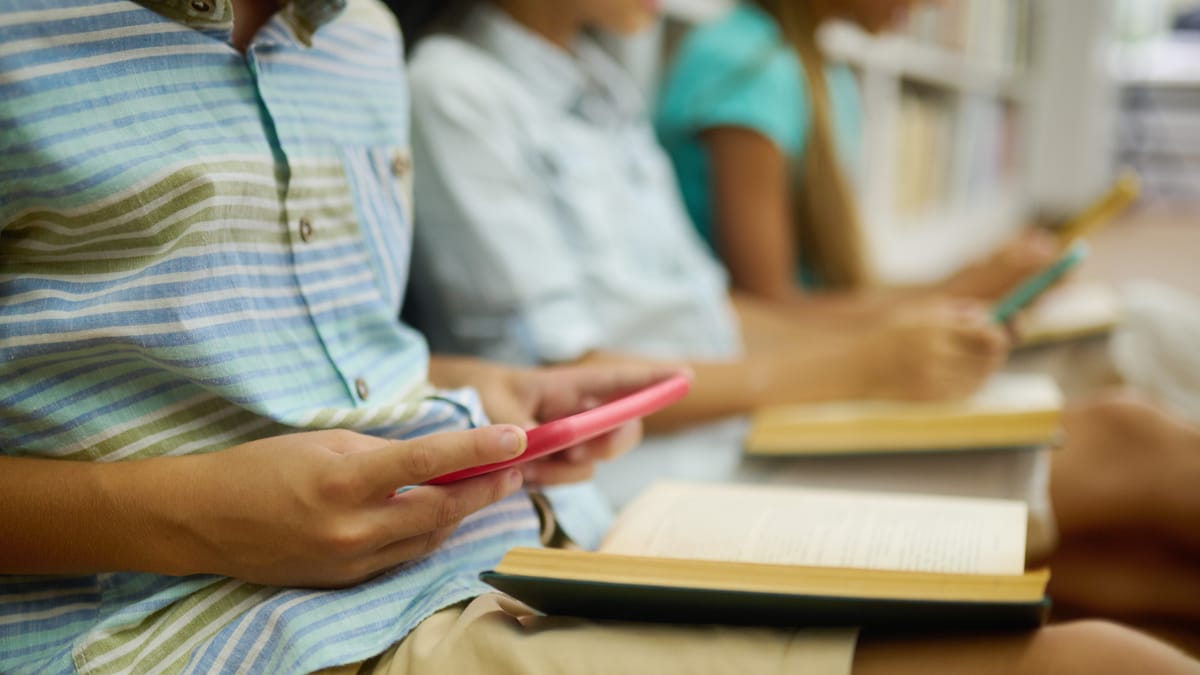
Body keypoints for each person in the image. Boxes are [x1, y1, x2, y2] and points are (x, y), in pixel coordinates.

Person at [5, 1, 1198, 673]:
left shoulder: (358, 41)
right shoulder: (461, 83)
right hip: (205, 624)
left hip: (502, 532)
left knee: (1123, 486)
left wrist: (500, 387)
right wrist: (859, 355)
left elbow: (341, 358)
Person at [398, 0, 1200, 639]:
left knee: (1127, 557)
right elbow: (566, 382)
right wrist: (856, 367)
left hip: (740, 418)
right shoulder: (456, 89)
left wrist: (899, 337)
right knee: (1131, 445)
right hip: (665, 470)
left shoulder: (602, 85)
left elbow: (717, 309)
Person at [655, 0, 1059, 314]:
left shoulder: (821, 73)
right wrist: (956, 294)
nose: (940, 4)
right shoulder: (745, 66)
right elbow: (768, 313)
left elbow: (828, 293)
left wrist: (969, 283)